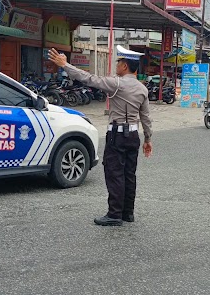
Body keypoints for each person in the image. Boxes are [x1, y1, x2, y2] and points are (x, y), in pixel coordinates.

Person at [48, 45, 152, 227]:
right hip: (134, 136)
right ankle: (128, 212)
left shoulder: (116, 83)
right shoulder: (142, 89)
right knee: (129, 174)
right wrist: (148, 140)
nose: (116, 66)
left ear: (125, 66)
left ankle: (114, 214)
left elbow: (89, 79)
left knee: (114, 174)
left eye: (119, 62)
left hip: (117, 136)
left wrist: (65, 65)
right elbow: (146, 117)